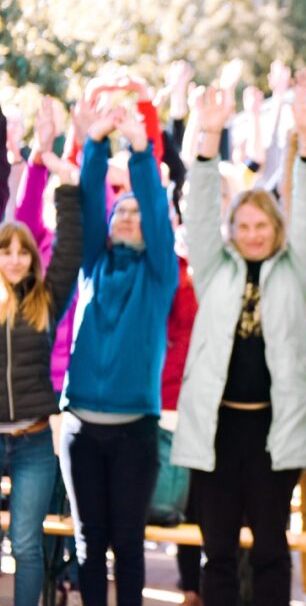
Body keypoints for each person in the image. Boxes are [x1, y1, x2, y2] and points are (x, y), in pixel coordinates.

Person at [171, 81, 306, 606]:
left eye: (263, 225)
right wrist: (208, 140)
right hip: (216, 428)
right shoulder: (214, 268)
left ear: (275, 229)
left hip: (271, 429)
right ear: (232, 228)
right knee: (217, 551)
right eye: (244, 224)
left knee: (270, 550)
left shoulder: (295, 269)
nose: (254, 233)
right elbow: (196, 217)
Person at [60, 101, 179, 606]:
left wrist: (138, 150)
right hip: (81, 430)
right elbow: (89, 201)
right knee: (89, 545)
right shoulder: (92, 268)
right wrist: (93, 143)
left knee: (128, 548)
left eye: (135, 213)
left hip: (134, 432)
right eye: (120, 212)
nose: (128, 217)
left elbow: (154, 208)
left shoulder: (159, 277)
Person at [0, 98, 81, 606]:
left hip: (31, 441)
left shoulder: (43, 302)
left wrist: (65, 183)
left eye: (21, 250)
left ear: (32, 258)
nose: (12, 257)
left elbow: (69, 247)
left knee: (27, 546)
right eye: (4, 250)